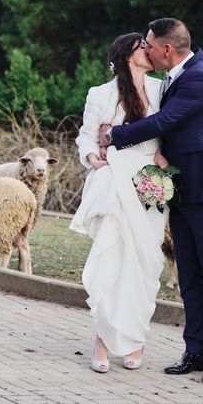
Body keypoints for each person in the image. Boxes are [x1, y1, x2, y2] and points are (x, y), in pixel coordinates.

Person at [99, 18, 203, 383]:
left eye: (148, 45)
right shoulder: (172, 76)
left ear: (167, 48)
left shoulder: (200, 77)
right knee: (190, 276)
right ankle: (195, 351)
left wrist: (115, 136)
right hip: (181, 190)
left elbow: (165, 120)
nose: (144, 50)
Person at [70, 32, 167, 373]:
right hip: (114, 176)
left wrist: (164, 153)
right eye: (143, 46)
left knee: (143, 261)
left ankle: (135, 339)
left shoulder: (162, 88)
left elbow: (172, 129)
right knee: (113, 256)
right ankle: (103, 338)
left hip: (149, 179)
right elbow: (86, 134)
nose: (150, 50)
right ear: (128, 54)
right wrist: (92, 155)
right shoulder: (102, 94)